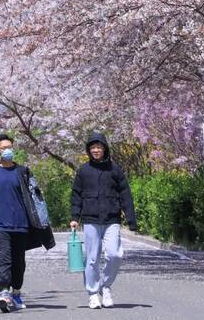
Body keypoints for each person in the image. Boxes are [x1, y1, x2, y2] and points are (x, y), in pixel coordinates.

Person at [0, 133, 55, 313]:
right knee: (4, 260)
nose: (7, 150)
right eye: (3, 148)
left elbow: (37, 197)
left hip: (21, 225)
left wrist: (42, 220)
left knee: (19, 262)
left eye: (9, 147)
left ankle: (17, 293)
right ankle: (4, 293)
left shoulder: (23, 172)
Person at [70, 132, 137, 310]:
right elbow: (76, 195)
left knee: (115, 254)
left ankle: (105, 287)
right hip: (90, 219)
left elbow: (125, 195)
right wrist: (74, 217)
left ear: (105, 148)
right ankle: (93, 293)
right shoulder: (83, 171)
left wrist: (131, 219)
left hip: (111, 219)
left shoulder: (115, 169)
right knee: (92, 259)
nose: (96, 150)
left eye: (99, 147)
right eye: (92, 147)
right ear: (88, 150)